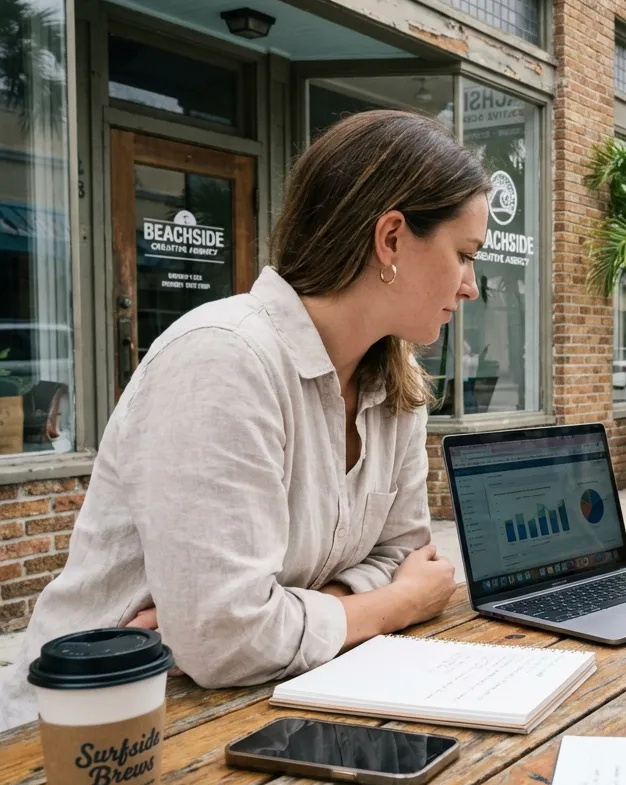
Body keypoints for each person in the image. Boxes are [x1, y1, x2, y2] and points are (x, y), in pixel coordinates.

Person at [0, 110, 491, 730]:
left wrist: (323, 605)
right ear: (391, 238)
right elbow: (229, 637)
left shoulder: (396, 386)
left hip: (253, 706)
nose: (471, 285)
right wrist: (390, 608)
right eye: (464, 255)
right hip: (87, 736)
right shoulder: (223, 358)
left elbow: (406, 558)